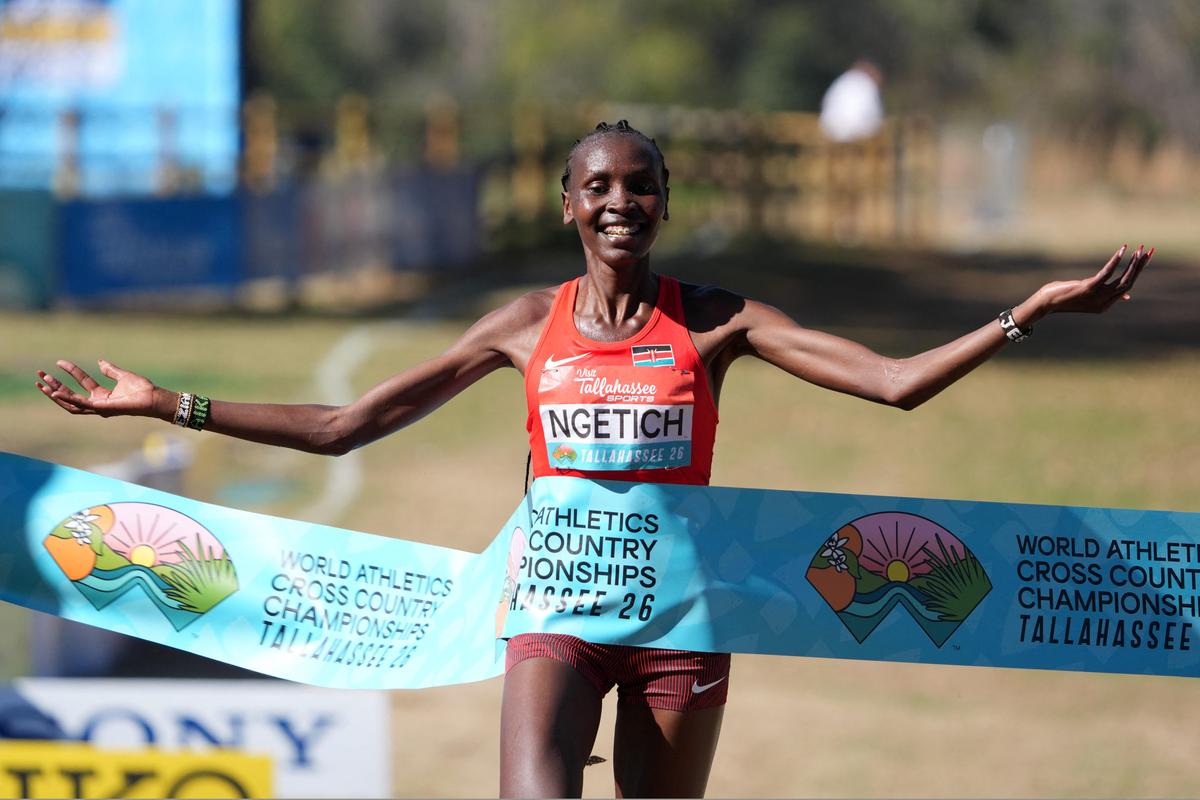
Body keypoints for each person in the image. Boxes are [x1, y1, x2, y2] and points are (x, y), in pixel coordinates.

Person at [36, 120, 1152, 798]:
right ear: (571, 203)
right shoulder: (525, 323)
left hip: (681, 626)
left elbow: (895, 382)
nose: (623, 202)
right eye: (601, 186)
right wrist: (172, 402)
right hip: (554, 616)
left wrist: (1026, 314)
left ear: (664, 202)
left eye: (642, 184)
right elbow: (348, 425)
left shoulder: (718, 320)